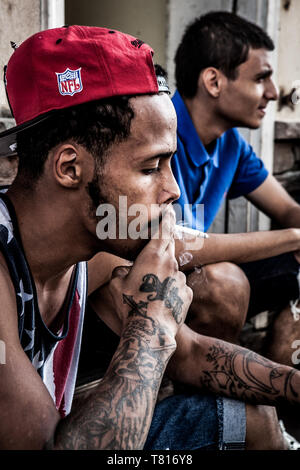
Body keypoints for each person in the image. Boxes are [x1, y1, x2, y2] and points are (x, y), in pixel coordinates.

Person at [0, 24, 299, 451]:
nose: (173, 189)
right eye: (150, 167)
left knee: (251, 413)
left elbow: (192, 354)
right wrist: (151, 324)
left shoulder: (91, 249)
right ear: (69, 168)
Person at [168, 10, 300, 367]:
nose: (273, 93)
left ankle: (281, 391)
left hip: (192, 278)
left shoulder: (231, 145)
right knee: (224, 284)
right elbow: (171, 247)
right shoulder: (156, 131)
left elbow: (288, 210)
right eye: (262, 79)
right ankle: (210, 407)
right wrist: (293, 238)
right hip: (141, 288)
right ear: (214, 81)